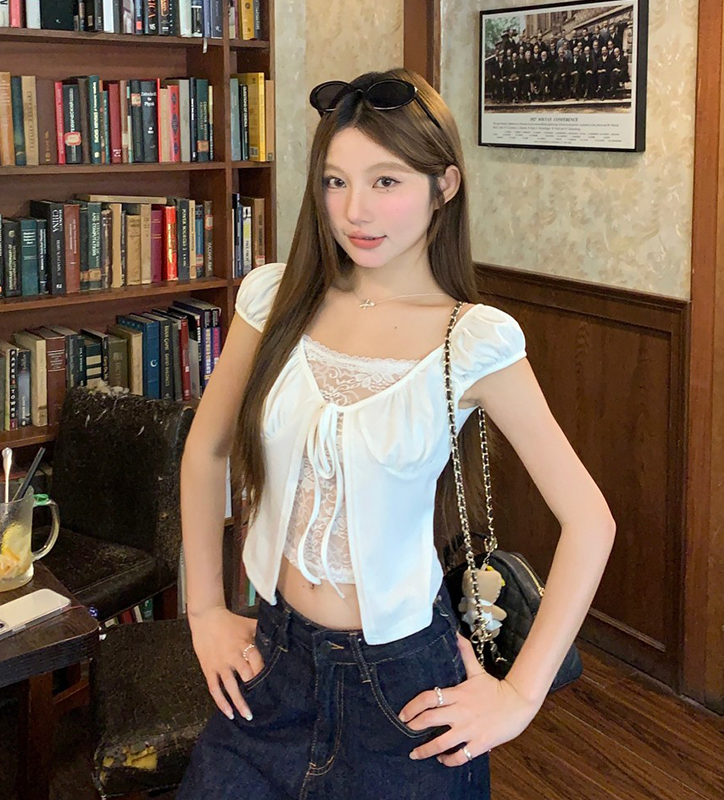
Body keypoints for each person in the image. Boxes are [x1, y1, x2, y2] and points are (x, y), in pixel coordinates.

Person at [176, 67, 616, 799]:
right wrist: (204, 609)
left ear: (444, 186)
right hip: (272, 659)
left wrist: (519, 696)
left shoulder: (472, 341)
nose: (355, 210)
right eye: (336, 181)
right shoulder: (274, 298)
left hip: (403, 685)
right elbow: (208, 448)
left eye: (386, 181)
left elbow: (590, 520)